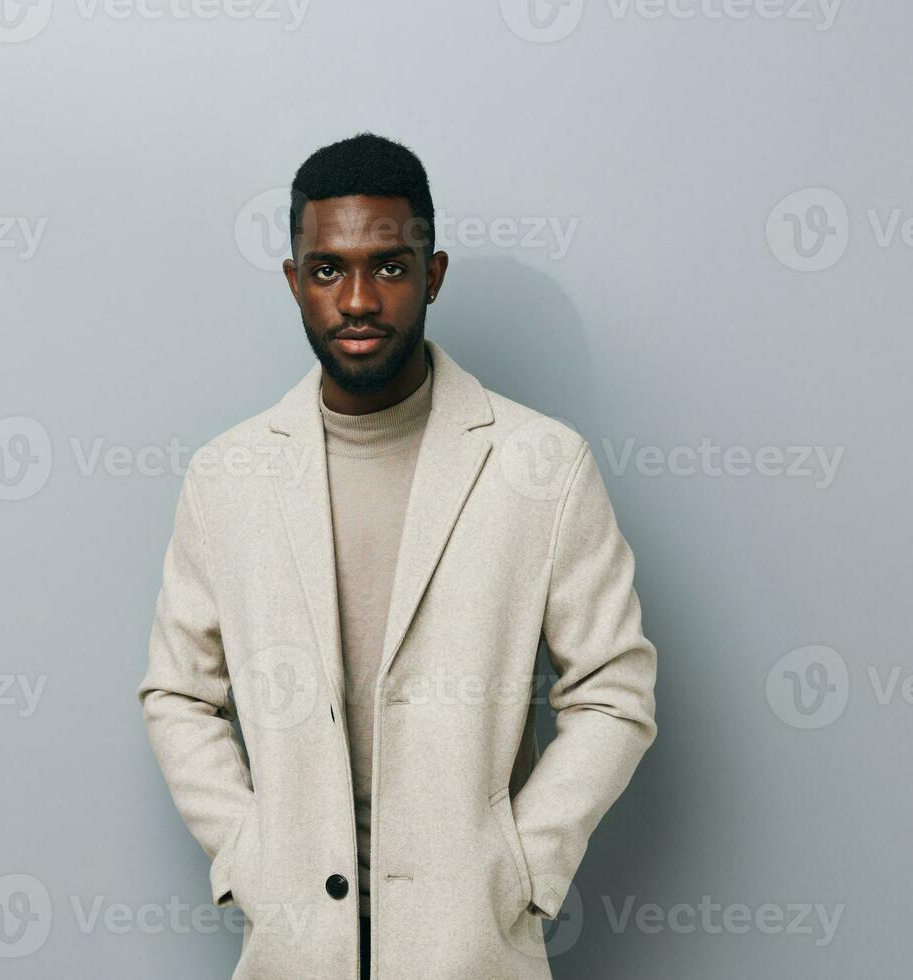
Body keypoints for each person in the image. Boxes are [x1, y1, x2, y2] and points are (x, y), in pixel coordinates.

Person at [138, 132, 658, 980]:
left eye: (387, 267)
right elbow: (177, 693)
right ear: (293, 281)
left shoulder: (541, 465)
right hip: (296, 942)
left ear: (434, 274)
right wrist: (248, 854)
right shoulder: (227, 476)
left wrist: (523, 865)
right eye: (327, 269)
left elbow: (616, 689)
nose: (356, 300)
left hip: (470, 942)